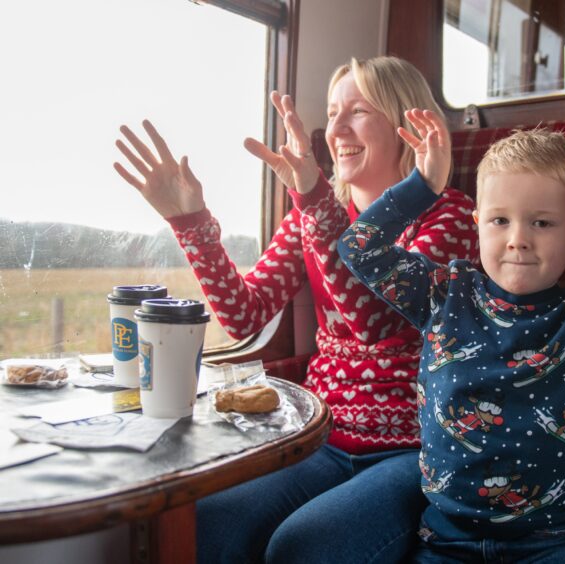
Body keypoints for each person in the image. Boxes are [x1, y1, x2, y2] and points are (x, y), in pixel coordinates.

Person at [113, 56, 478, 564]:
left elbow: (373, 321)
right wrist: (190, 221)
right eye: (332, 113)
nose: (337, 130)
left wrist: (314, 199)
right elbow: (244, 316)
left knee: (302, 548)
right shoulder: (315, 214)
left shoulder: (451, 217)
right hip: (321, 436)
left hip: (411, 452)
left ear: (405, 122)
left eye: (358, 111)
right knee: (208, 520)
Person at [339, 84, 565, 562]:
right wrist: (424, 185)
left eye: (542, 223)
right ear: (477, 225)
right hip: (448, 538)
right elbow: (359, 246)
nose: (518, 240)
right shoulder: (443, 295)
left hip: (555, 541)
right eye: (500, 221)